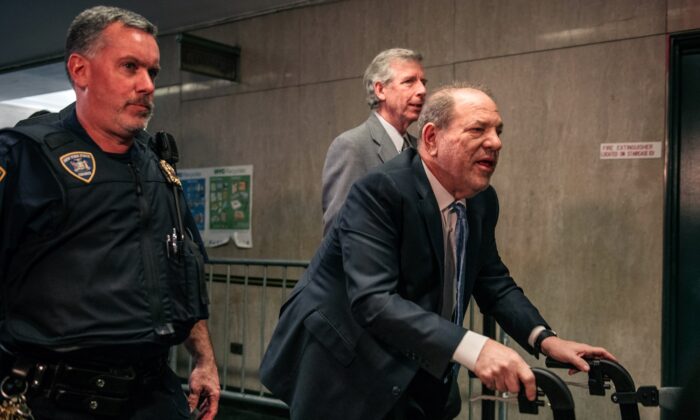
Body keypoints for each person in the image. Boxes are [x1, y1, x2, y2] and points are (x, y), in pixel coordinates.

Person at [260, 83, 615, 420]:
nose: (495, 143)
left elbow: (492, 281)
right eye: (478, 130)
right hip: (344, 367)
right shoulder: (380, 191)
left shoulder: (481, 201)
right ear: (431, 138)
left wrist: (546, 340)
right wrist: (476, 348)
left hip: (418, 365)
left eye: (498, 131)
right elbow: (373, 300)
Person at [0, 6, 219, 419]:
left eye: (152, 72)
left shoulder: (158, 166)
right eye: (130, 67)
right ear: (80, 71)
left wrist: (203, 359)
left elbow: (184, 271)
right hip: (57, 399)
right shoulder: (26, 155)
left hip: (154, 396)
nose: (147, 85)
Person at [321, 48, 427, 235]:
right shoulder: (352, 146)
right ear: (380, 90)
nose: (422, 90)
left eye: (423, 82)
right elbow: (339, 233)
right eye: (409, 82)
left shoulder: (421, 149)